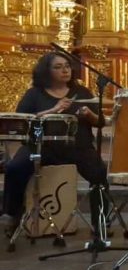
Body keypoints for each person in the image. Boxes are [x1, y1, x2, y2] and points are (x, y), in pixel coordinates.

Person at [2, 53, 106, 233]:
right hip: (41, 146)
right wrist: (53, 110)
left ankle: (100, 223)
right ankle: (13, 214)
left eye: (67, 66)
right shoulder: (34, 94)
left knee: (99, 173)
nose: (65, 70)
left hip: (77, 147)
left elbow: (100, 121)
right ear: (46, 71)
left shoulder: (82, 92)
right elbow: (22, 121)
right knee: (15, 168)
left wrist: (89, 114)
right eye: (58, 67)